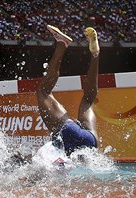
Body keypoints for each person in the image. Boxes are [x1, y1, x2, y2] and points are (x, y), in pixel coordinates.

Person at [36, 25, 100, 157]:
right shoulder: (84, 130)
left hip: (90, 141)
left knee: (88, 100)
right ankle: (92, 54)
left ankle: (88, 53)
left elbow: (90, 96)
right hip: (89, 143)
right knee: (44, 92)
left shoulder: (82, 127)